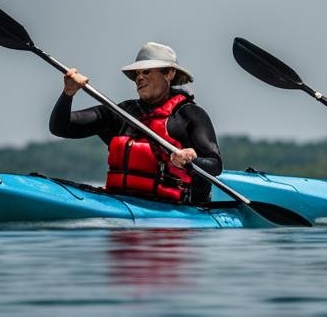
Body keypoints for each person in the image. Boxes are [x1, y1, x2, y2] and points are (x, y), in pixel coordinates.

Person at [49, 41, 222, 205]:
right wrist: (68, 94)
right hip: (123, 202)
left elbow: (215, 165)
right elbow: (60, 127)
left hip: (180, 210)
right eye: (137, 74)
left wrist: (190, 160)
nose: (139, 78)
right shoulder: (121, 113)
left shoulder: (190, 115)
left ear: (169, 73)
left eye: (146, 72)